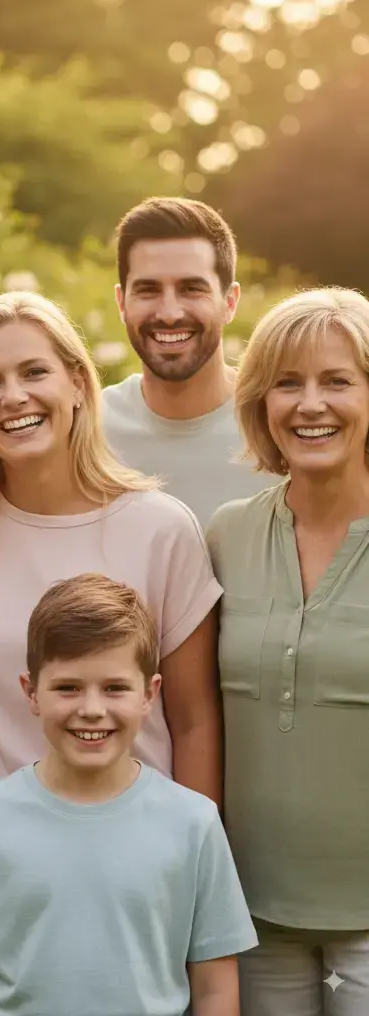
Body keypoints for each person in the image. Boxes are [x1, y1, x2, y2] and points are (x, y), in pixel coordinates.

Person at [0, 291, 224, 831]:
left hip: (132, 847)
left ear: (77, 383)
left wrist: (199, 859)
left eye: (34, 372)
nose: (13, 397)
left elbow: (195, 722)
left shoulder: (162, 529)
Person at [0, 573, 258, 1016]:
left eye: (115, 688)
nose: (92, 709)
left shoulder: (194, 822)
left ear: (149, 694)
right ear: (31, 692)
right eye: (68, 687)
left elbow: (214, 984)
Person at [207, 287, 369, 1016]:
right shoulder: (227, 535)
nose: (311, 404)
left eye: (337, 381)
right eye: (288, 382)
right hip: (251, 913)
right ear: (260, 402)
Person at [102, 196, 278, 527]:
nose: (170, 314)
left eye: (192, 289)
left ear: (229, 301)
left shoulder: (280, 426)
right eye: (148, 290)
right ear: (122, 302)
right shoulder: (86, 432)